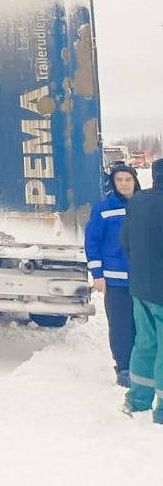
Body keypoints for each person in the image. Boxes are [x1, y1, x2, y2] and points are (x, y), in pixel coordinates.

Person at [85, 164, 139, 386]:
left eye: (128, 179)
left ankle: (143, 367)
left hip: (142, 278)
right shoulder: (103, 208)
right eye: (120, 180)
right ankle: (124, 368)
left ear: (135, 180)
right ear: (113, 183)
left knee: (143, 325)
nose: (124, 184)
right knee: (120, 325)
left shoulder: (144, 205)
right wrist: (97, 274)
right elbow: (92, 242)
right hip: (116, 279)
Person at [121, 167, 163, 421]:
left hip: (140, 288)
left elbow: (125, 241)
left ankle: (138, 400)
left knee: (145, 343)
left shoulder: (137, 202)